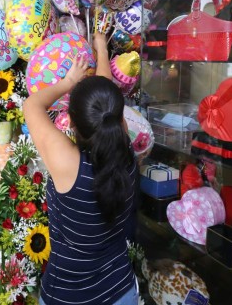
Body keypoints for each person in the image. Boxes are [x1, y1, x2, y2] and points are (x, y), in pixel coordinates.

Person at [23, 32, 139, 304]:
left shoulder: (70, 166)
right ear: (120, 118)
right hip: (121, 290)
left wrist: (68, 82)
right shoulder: (128, 153)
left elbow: (32, 105)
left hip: (70, 295)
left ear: (71, 122)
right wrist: (101, 49)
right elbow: (108, 106)